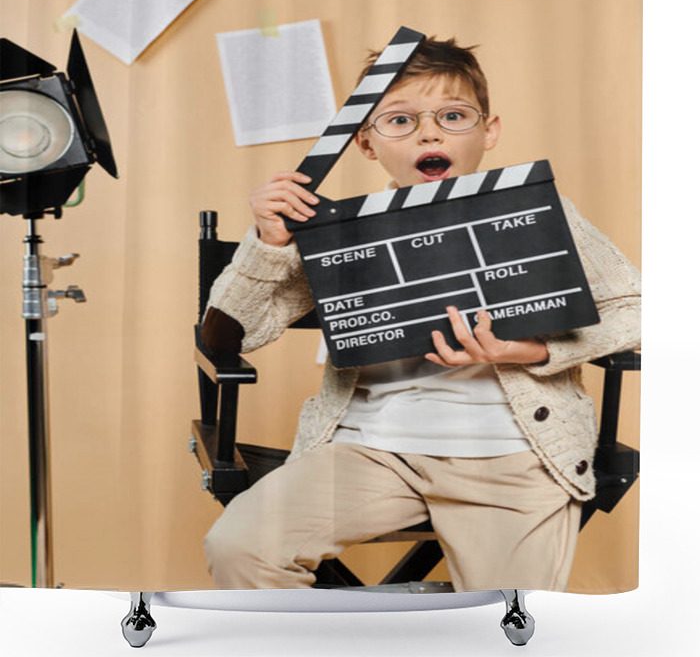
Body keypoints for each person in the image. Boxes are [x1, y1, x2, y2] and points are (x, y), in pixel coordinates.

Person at [201, 36, 641, 592]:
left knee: (512, 624)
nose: (429, 133)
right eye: (401, 121)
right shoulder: (342, 232)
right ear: (365, 143)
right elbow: (233, 331)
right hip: (368, 451)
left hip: (511, 457)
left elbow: (637, 309)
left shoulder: (538, 213)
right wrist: (266, 243)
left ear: (490, 131)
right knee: (241, 548)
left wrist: (532, 352)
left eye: (452, 116)